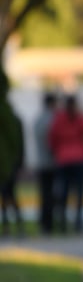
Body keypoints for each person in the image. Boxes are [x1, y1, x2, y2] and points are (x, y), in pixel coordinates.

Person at [49, 94, 83, 233]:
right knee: (80, 192)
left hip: (64, 159)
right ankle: (78, 222)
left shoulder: (59, 119)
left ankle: (63, 223)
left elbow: (52, 138)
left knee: (63, 192)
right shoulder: (80, 118)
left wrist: (57, 151)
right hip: (80, 158)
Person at [0, 82, 25, 237]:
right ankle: (9, 225)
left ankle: (15, 225)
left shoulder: (12, 121)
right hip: (7, 164)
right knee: (6, 196)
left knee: (9, 195)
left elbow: (18, 144)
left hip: (10, 164)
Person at [34, 92, 58, 234]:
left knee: (44, 194)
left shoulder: (38, 119)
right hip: (52, 163)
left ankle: (44, 223)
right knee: (52, 195)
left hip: (41, 162)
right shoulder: (53, 120)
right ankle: (49, 224)